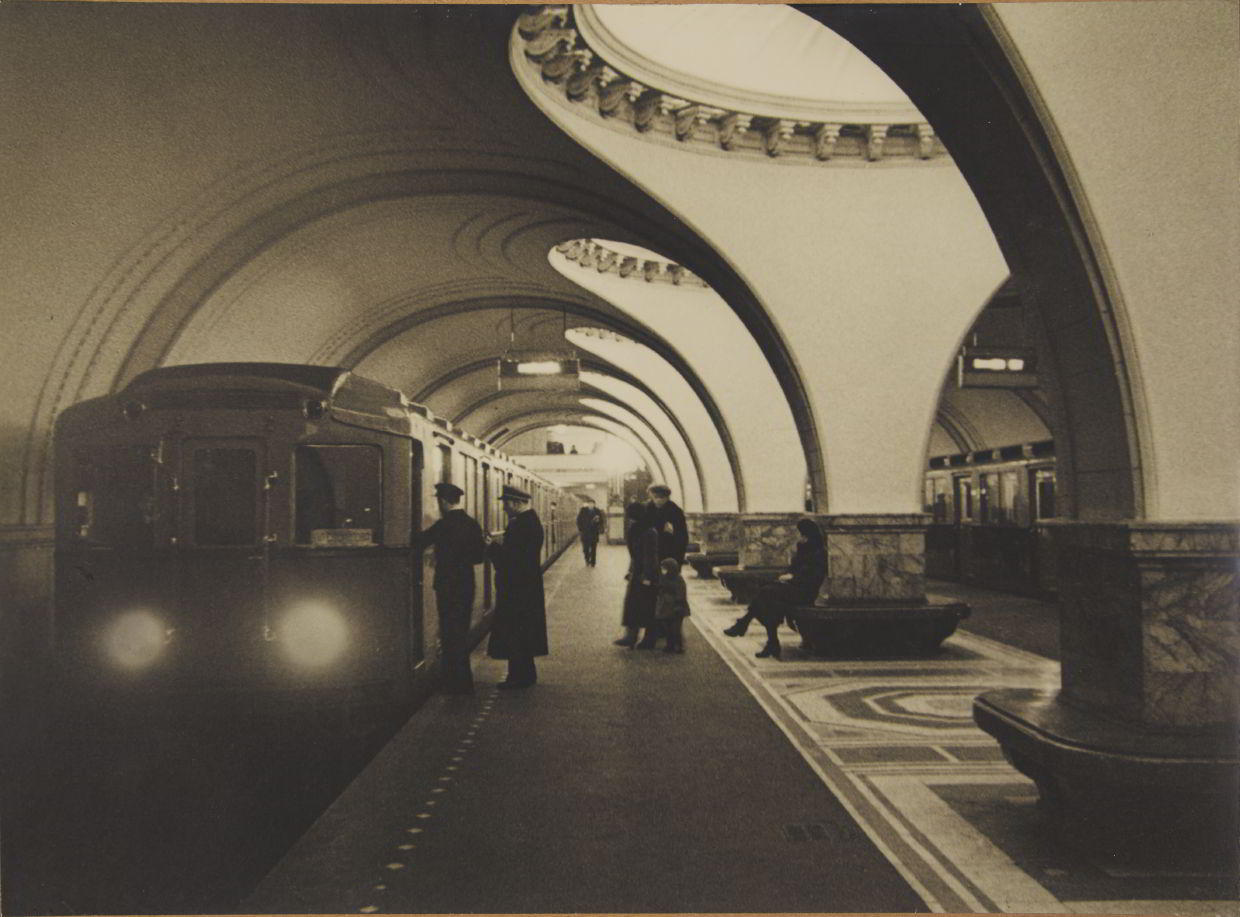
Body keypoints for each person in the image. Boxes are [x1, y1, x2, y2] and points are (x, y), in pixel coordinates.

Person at [417, 482, 487, 694]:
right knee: (461, 633)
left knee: (449, 634)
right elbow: (479, 556)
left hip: (447, 586)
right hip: (466, 584)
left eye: (439, 501)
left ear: (445, 502)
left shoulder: (443, 525)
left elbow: (419, 542)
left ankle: (453, 684)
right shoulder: (472, 524)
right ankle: (464, 682)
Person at [722, 518, 826, 660]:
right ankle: (771, 641)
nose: (799, 536)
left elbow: (812, 578)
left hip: (804, 593)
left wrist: (791, 579)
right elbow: (792, 569)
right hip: (792, 588)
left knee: (766, 593)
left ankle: (745, 625)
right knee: (769, 603)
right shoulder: (803, 549)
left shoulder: (819, 553)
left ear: (807, 535)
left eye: (801, 534)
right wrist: (786, 576)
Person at [486, 484, 547, 689]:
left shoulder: (521, 525)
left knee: (516, 632)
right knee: (522, 633)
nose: (503, 508)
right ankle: (525, 675)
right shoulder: (530, 521)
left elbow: (511, 560)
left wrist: (491, 547)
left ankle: (517, 678)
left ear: (516, 503)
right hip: (526, 586)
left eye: (506, 503)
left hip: (517, 588)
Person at [613, 501, 658, 648]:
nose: (629, 518)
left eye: (631, 515)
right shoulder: (636, 529)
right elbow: (634, 555)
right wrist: (630, 570)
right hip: (637, 571)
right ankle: (631, 636)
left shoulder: (649, 531)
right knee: (633, 605)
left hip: (646, 574)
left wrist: (647, 576)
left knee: (648, 606)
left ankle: (649, 638)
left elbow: (650, 556)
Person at [654, 557, 690, 654]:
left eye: (665, 568)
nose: (663, 570)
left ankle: (679, 646)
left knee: (676, 629)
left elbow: (681, 593)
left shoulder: (678, 579)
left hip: (676, 608)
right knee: (668, 629)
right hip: (666, 607)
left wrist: (678, 603)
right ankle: (670, 645)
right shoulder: (664, 578)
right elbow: (659, 587)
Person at [575, 499, 604, 567]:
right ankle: (587, 559)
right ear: (588, 504)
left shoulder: (597, 511)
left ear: (594, 504)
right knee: (585, 548)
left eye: (592, 504)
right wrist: (581, 529)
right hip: (585, 533)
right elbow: (578, 520)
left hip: (594, 533)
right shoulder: (583, 510)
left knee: (594, 548)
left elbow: (601, 521)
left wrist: (598, 522)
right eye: (590, 503)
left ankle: (593, 562)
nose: (591, 505)